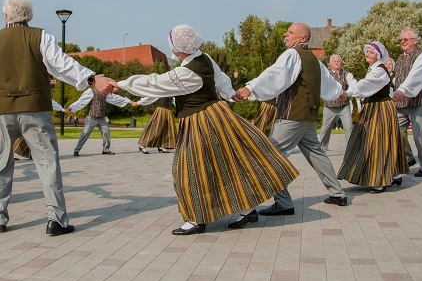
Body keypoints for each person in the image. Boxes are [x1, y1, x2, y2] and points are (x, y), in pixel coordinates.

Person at [117, 24, 299, 235]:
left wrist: (121, 84)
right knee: (225, 165)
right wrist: (230, 93)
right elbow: (222, 79)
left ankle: (197, 218)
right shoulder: (203, 58)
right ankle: (247, 210)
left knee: (188, 170)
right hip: (216, 116)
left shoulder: (187, 72)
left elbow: (155, 83)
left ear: (177, 48)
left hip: (201, 121)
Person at [0, 0, 116, 235]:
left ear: (6, 17)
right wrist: (92, 79)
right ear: (28, 16)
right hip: (34, 106)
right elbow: (61, 64)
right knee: (47, 162)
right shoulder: (40, 36)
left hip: (1, 109)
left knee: (0, 162)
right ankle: (56, 219)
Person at [233, 22, 349, 213]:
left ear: (302, 38)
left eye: (291, 32)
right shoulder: (315, 61)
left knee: (271, 156)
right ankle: (338, 194)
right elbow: (330, 85)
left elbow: (275, 75)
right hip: (308, 118)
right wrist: (342, 93)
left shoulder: (292, 55)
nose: (286, 34)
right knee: (317, 154)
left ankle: (284, 203)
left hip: (291, 117)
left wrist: (250, 88)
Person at [337, 42, 406, 193]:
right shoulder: (374, 69)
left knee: (377, 141)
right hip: (373, 107)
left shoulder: (379, 71)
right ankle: (393, 174)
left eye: (371, 52)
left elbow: (365, 85)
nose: (368, 54)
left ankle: (380, 180)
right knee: (372, 140)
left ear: (379, 55)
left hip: (380, 108)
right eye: (367, 52)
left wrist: (347, 93)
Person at [392, 27, 422, 177]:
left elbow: (415, 77)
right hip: (402, 104)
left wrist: (401, 90)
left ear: (414, 41)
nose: (402, 42)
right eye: (401, 40)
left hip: (420, 102)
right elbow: (396, 78)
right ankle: (408, 157)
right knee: (396, 132)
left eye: (406, 39)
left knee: (419, 135)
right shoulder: (399, 59)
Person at [68, 88, 135, 156]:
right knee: (85, 134)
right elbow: (81, 101)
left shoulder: (105, 92)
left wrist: (129, 101)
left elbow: (115, 98)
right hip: (91, 118)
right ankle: (76, 150)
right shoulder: (91, 91)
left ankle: (106, 150)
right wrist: (71, 108)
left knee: (106, 132)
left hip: (101, 118)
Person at [318, 54, 357, 152]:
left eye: (338, 61)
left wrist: (347, 93)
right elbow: (321, 86)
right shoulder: (326, 74)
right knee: (325, 129)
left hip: (344, 106)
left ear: (341, 63)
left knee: (349, 127)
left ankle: (351, 149)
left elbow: (354, 85)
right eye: (334, 61)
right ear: (331, 63)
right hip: (329, 106)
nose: (336, 63)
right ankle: (321, 149)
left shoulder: (347, 74)